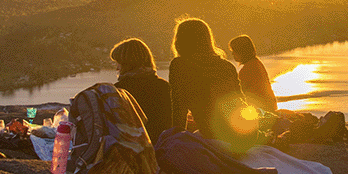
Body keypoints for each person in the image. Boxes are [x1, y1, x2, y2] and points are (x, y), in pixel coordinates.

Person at [168, 18, 255, 153]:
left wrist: (175, 143)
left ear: (180, 41)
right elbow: (241, 102)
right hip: (246, 134)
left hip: (217, 136)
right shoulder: (227, 66)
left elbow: (179, 109)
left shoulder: (180, 65)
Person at [111, 38, 171, 144]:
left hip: (133, 151)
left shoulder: (120, 91)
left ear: (127, 63)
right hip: (164, 147)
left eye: (118, 63)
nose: (117, 68)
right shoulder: (164, 86)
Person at [228, 34, 278, 113]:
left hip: (261, 110)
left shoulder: (248, 69)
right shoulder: (256, 63)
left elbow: (239, 93)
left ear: (241, 51)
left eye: (234, 51)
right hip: (269, 107)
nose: (232, 54)